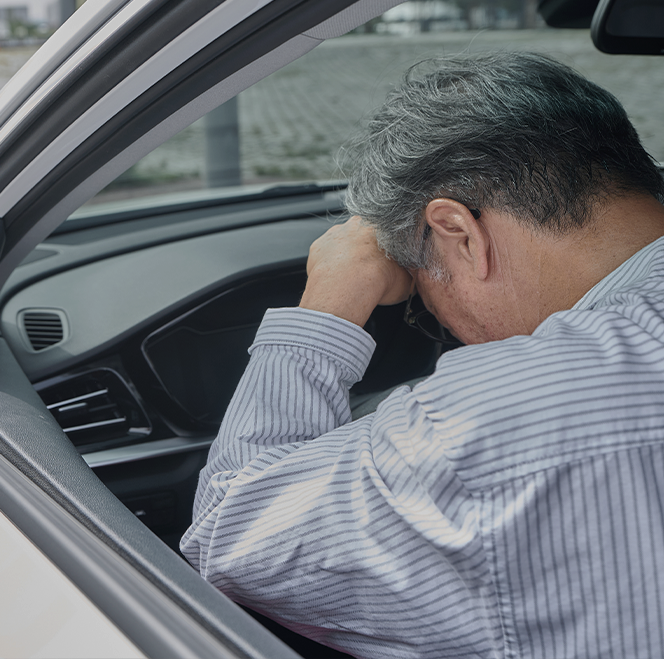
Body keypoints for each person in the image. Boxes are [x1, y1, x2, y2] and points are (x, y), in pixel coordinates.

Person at [180, 52, 664, 658]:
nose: (439, 323)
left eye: (420, 291)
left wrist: (326, 303)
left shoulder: (499, 420)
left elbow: (230, 534)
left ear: (459, 231)